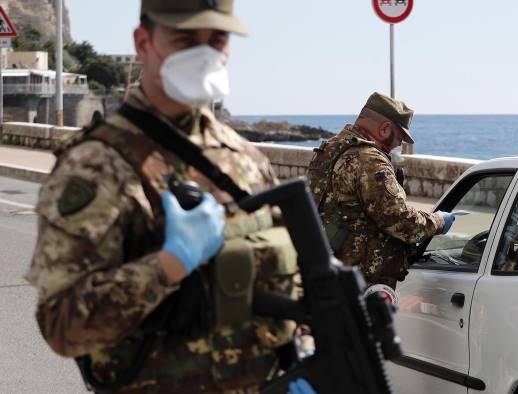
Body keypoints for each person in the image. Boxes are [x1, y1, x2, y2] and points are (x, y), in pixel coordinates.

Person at [25, 1, 313, 392]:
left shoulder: (246, 161)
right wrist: (168, 266)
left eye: (217, 39)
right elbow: (61, 326)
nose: (204, 53)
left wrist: (301, 353)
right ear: (143, 43)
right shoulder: (95, 165)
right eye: (185, 38)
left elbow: (289, 283)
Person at [308, 92, 455, 288]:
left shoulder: (329, 149)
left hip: (328, 271)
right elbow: (400, 221)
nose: (399, 145)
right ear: (385, 128)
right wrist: (438, 221)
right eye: (400, 138)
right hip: (359, 282)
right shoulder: (370, 160)